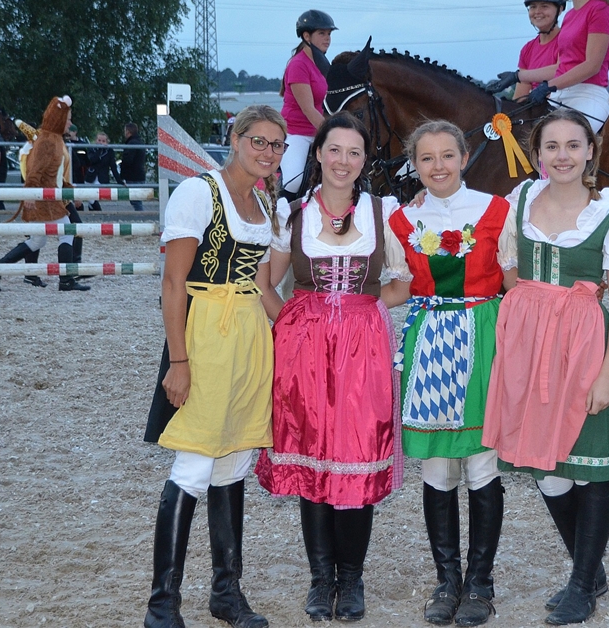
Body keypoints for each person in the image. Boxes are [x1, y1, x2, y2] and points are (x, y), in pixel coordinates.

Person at [483, 108, 609, 625]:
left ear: (590, 151)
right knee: (545, 466)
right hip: (530, 346)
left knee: (589, 467)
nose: (562, 156)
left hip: (585, 347)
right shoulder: (521, 201)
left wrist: (607, 375)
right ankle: (588, 569)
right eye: (551, 146)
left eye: (573, 145)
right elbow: (498, 259)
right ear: (536, 154)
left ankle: (581, 584)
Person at [142, 104, 287, 628]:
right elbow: (173, 283)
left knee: (234, 462)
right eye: (258, 141)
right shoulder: (198, 193)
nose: (268, 152)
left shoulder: (266, 202)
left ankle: (227, 594)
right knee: (195, 465)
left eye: (277, 145)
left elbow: (262, 286)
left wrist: (299, 336)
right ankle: (162, 604)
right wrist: (179, 360)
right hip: (206, 332)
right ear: (235, 138)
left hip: (249, 337)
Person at [255, 112, 399, 623]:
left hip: (364, 351)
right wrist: (292, 324)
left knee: (358, 454)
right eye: (334, 149)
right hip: (305, 354)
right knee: (312, 458)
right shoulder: (292, 213)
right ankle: (321, 580)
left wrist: (360, 311)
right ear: (317, 153)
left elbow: (402, 284)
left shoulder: (384, 212)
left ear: (364, 160)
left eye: (354, 152)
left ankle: (351, 579)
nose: (343, 160)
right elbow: (265, 283)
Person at [382, 120, 518, 627]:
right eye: (426, 158)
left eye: (446, 155)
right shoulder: (401, 220)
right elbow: (398, 289)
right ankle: (447, 580)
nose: (437, 166)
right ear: (414, 164)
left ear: (464, 157)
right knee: (438, 465)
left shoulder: (497, 210)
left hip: (483, 334)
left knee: (481, 463)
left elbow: (514, 283)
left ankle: (480, 582)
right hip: (430, 338)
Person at [486, 0, 609, 133]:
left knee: (567, 137)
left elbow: (592, 66)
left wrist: (549, 86)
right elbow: (561, 67)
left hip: (588, 95)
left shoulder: (600, 10)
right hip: (560, 94)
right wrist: (517, 76)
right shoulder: (570, 16)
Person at [0, 96, 89, 292]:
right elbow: (35, 170)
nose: (70, 123)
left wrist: (70, 191)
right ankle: (66, 280)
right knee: (68, 233)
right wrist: (30, 193)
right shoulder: (48, 141)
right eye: (68, 119)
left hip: (47, 197)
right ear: (59, 119)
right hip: (46, 200)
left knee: (37, 240)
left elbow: (55, 175)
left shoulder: (54, 139)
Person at [278, 9, 336, 200]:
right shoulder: (298, 64)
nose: (327, 38)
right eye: (322, 33)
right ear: (306, 36)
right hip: (295, 133)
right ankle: (279, 211)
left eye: (329, 34)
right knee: (293, 181)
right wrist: (332, 132)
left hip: (316, 132)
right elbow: (308, 108)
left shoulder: (323, 64)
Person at [514, 0, 566, 100]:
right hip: (535, 108)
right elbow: (520, 97)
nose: (537, 12)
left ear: (560, 9)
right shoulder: (527, 49)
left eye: (544, 6)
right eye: (533, 7)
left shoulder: (565, 40)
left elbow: (561, 70)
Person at [84, 132, 120, 210]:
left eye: (103, 141)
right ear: (95, 140)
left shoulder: (109, 151)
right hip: (90, 177)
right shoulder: (91, 149)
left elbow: (113, 167)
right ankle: (93, 211)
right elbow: (92, 160)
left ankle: (98, 211)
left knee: (92, 197)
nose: (101, 143)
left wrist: (119, 181)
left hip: (102, 179)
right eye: (99, 140)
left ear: (107, 142)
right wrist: (99, 150)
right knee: (90, 199)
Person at [120, 122, 147, 211]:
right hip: (139, 174)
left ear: (128, 131)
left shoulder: (131, 144)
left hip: (133, 176)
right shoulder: (139, 142)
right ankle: (140, 215)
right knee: (136, 200)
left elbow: (128, 160)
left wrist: (122, 172)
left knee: (135, 200)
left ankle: (141, 216)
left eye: (125, 131)